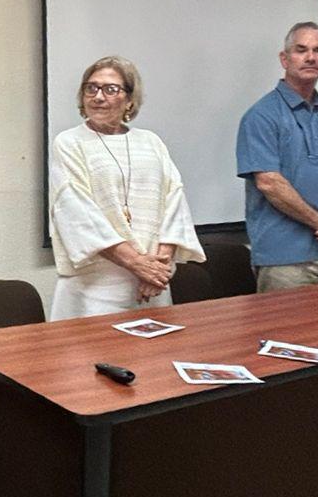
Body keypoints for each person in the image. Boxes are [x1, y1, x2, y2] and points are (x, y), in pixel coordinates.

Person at [49, 56, 204, 320]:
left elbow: (174, 201)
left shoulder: (151, 142)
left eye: (110, 89)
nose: (98, 96)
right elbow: (76, 212)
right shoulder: (70, 142)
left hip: (151, 285)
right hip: (95, 287)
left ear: (130, 99)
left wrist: (159, 267)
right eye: (91, 88)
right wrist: (137, 263)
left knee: (156, 345)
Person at [235, 23, 318, 292]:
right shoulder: (262, 115)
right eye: (301, 50)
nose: (311, 57)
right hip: (286, 257)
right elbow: (269, 183)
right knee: (286, 322)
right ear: (285, 59)